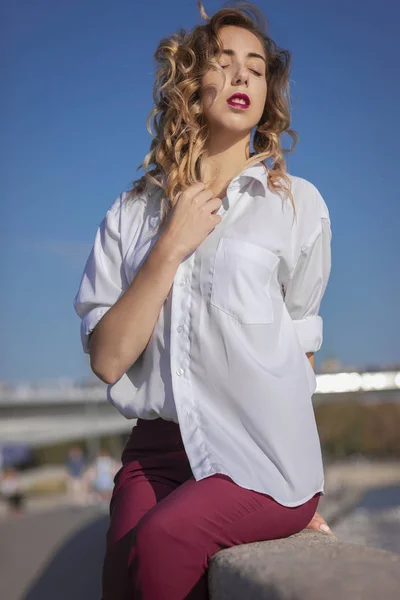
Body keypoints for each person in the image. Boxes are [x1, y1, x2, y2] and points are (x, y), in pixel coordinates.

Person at [73, 2, 334, 598]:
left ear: (269, 91)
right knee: (123, 574)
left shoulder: (297, 206)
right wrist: (169, 247)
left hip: (258, 448)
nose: (243, 76)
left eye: (257, 67)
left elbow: (300, 348)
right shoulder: (133, 214)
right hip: (157, 453)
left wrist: (291, 492)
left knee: (166, 540)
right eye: (224, 62)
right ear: (192, 84)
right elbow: (109, 359)